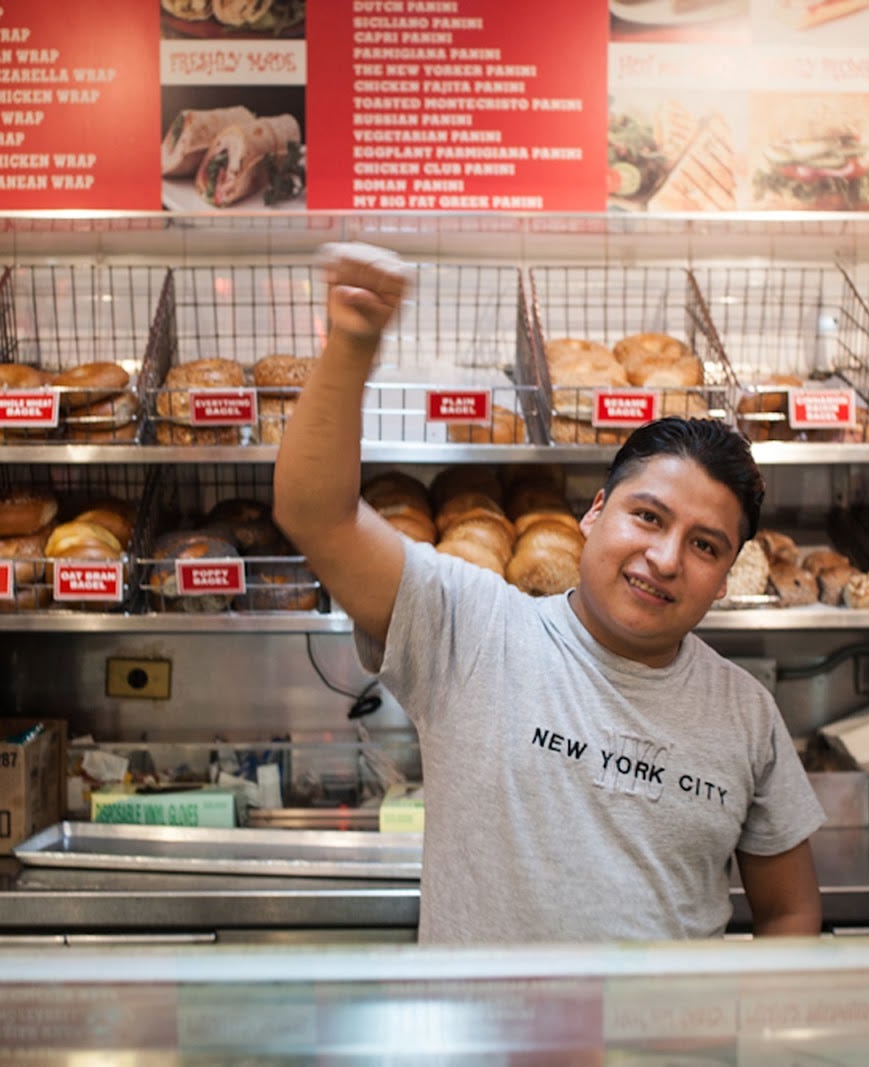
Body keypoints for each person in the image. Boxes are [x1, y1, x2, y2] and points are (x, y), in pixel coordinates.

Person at [273, 243, 824, 944]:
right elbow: (317, 514)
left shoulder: (745, 713)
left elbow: (788, 910)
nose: (664, 558)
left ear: (724, 577)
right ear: (593, 514)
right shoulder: (469, 628)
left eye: (705, 545)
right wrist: (353, 345)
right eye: (648, 517)